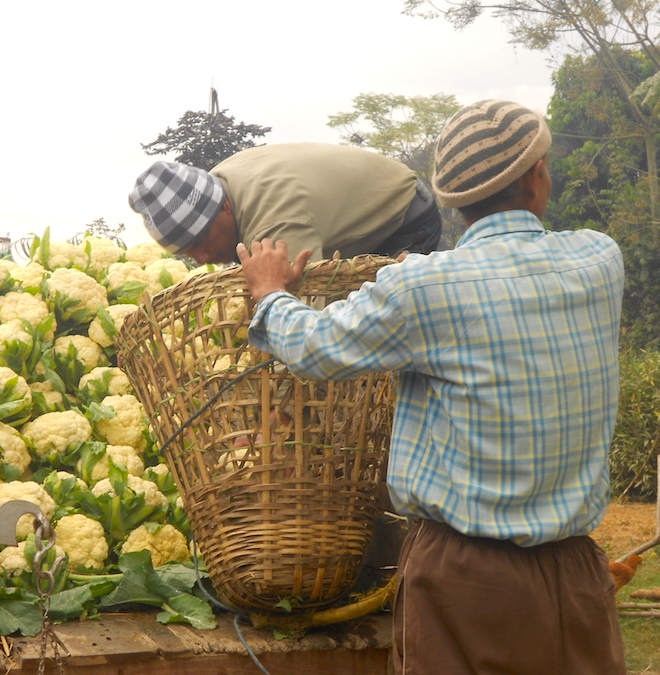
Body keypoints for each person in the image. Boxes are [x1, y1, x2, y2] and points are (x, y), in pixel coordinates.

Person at [234, 100, 626, 674]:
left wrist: (270, 294)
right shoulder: (601, 260)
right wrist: (416, 288)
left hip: (465, 579)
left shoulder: (422, 288)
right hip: (577, 575)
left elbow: (315, 349)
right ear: (537, 176)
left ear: (451, 200)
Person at [128, 142, 442, 264]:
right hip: (341, 230)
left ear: (223, 207)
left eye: (203, 240)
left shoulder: (274, 221)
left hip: (402, 218)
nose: (204, 257)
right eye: (188, 252)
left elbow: (306, 322)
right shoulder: (218, 186)